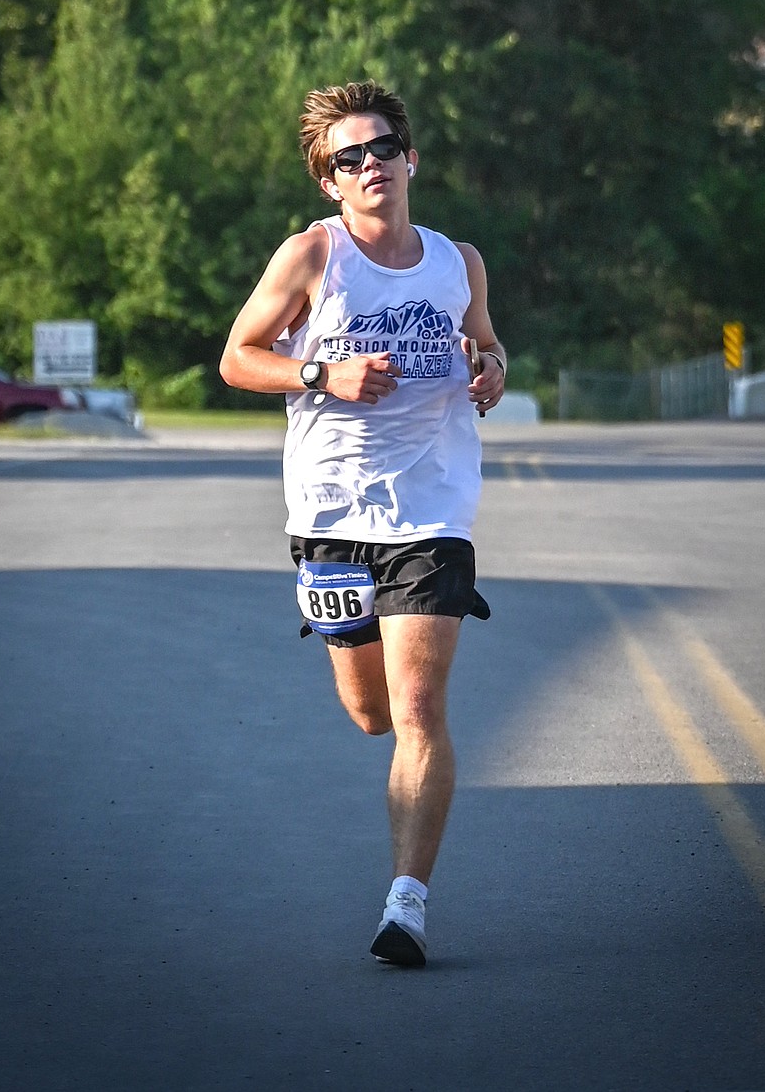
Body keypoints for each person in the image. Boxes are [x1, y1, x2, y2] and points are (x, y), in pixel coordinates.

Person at [219, 80, 506, 968]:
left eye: (382, 148)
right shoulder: (313, 258)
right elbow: (237, 358)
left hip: (432, 510)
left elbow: (487, 340)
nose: (370, 164)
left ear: (410, 159)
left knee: (420, 707)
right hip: (332, 511)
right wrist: (320, 377)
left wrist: (492, 365)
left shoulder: (457, 260)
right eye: (349, 158)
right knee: (370, 714)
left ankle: (406, 907)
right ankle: (402, 873)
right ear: (329, 182)